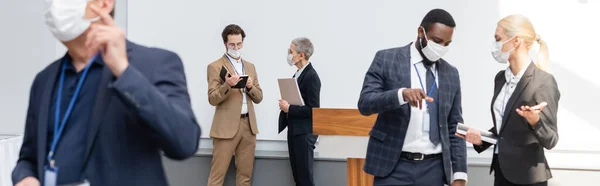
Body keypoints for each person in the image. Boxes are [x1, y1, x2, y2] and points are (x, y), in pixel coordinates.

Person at [12, 0, 201, 185]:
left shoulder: (153, 64)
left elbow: (184, 143)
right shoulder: (44, 79)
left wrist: (124, 72)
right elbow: (28, 158)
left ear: (103, 4)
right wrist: (25, 178)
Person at [357, 9, 467, 186]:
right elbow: (365, 103)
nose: (441, 47)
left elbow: (455, 125)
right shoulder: (386, 59)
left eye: (447, 43)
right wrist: (401, 94)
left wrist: (460, 174)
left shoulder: (451, 73)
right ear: (420, 32)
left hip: (434, 169)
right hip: (392, 166)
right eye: (437, 41)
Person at [457, 14, 559, 186]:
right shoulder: (500, 78)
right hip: (501, 172)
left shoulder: (543, 81)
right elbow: (505, 128)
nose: (494, 45)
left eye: (498, 39)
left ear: (516, 40)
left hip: (528, 177)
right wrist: (480, 140)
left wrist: (535, 121)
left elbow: (551, 140)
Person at [206, 24, 263, 186]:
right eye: (232, 45)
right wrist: (227, 85)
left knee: (245, 177)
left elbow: (259, 97)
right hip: (225, 128)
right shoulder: (215, 66)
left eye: (239, 44)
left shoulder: (250, 67)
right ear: (225, 44)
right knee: (217, 177)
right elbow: (212, 98)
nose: (236, 48)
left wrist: (251, 87)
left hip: (248, 126)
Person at [278, 37, 320, 186]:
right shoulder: (298, 74)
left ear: (301, 55)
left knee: (304, 178)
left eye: (291, 51)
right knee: (298, 176)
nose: (289, 54)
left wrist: (289, 108)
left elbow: (313, 110)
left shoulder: (311, 76)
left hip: (304, 133)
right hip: (295, 131)